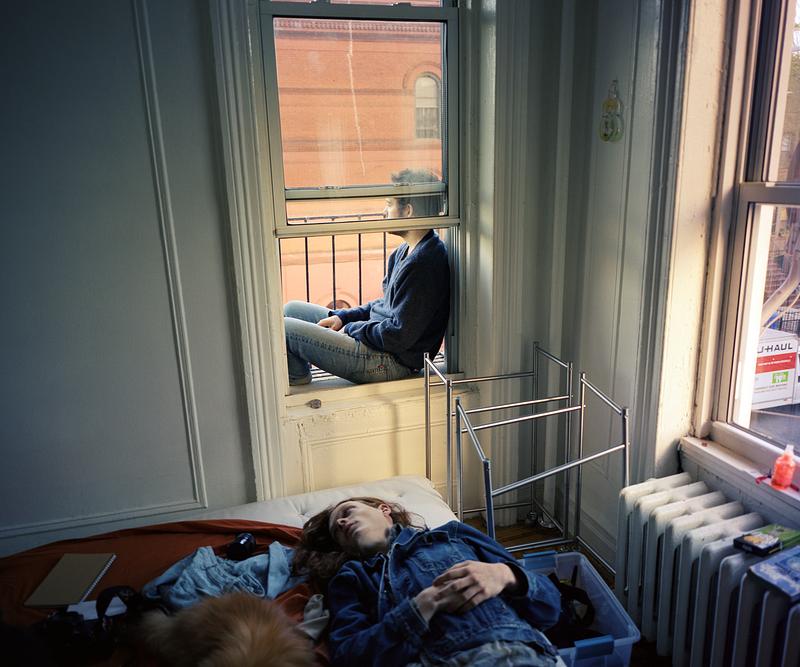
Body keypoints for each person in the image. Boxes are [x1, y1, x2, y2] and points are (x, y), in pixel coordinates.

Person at [293, 497, 564, 667]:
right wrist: (417, 609)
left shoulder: (453, 535)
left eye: (348, 511)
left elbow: (552, 607)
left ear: (384, 510)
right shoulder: (351, 578)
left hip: (508, 653)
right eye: (336, 530)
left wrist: (505, 575)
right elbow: (349, 656)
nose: (342, 522)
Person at [283, 169, 450, 385]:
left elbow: (399, 336)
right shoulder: (404, 251)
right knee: (292, 309)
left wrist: (351, 330)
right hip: (376, 340)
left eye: (389, 205)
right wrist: (344, 318)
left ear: (408, 211)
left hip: (388, 361)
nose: (384, 211)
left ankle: (297, 379)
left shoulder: (424, 263)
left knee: (286, 329)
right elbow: (385, 304)